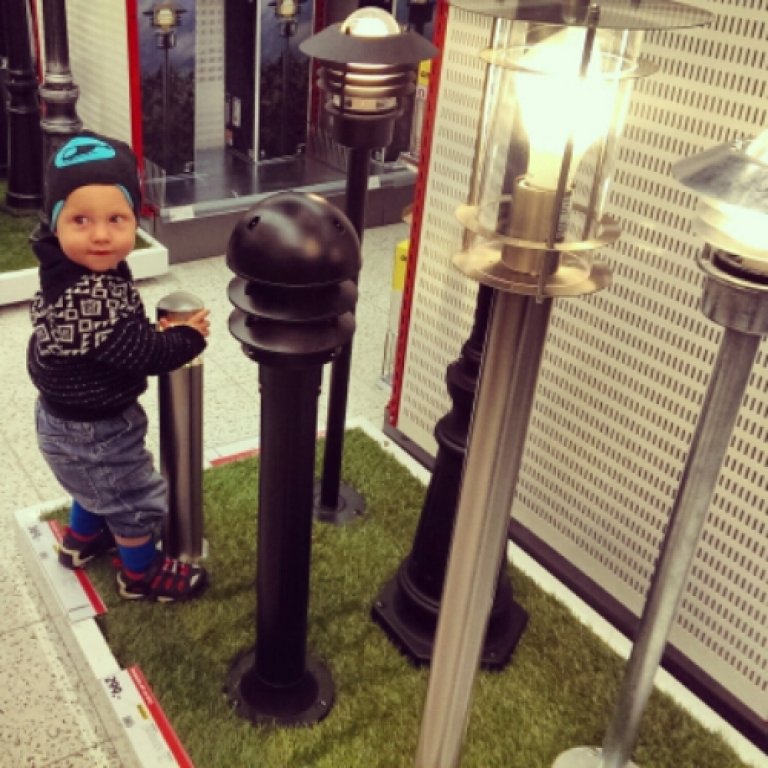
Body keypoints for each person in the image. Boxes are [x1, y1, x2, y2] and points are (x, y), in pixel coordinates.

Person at [27, 130, 210, 602]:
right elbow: (145, 355)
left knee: (95, 486)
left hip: (66, 419)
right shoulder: (85, 295)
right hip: (93, 430)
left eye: (116, 218)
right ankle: (141, 574)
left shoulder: (63, 271)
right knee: (130, 499)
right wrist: (187, 338)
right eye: (81, 220)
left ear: (135, 218)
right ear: (54, 223)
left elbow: (110, 337)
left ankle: (82, 540)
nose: (101, 234)